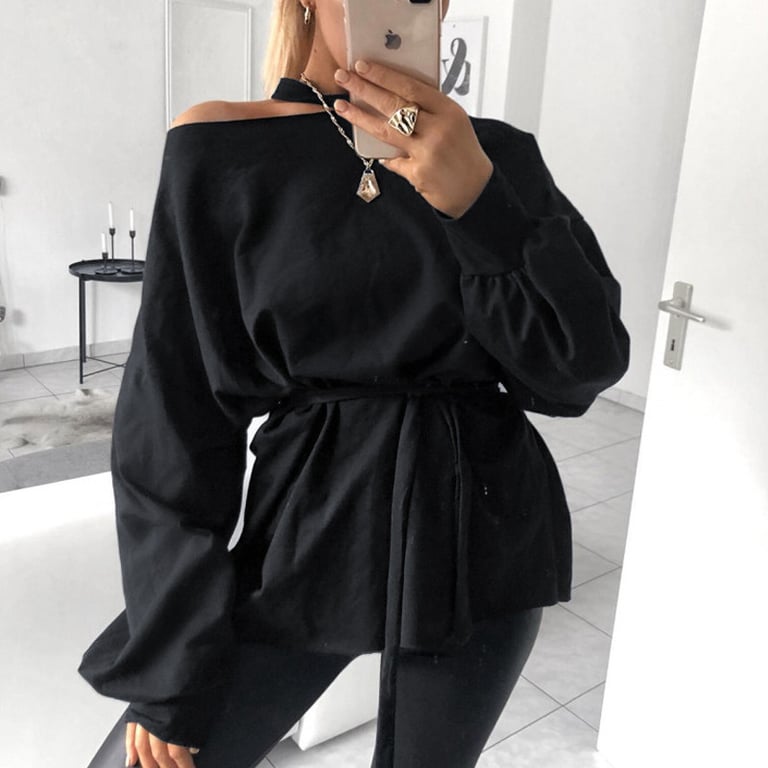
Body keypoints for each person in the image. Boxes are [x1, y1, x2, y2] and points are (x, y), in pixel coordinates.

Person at [78, 0, 631, 766]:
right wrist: (171, 659)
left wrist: (480, 205)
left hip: (483, 524)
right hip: (311, 525)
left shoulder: (495, 155)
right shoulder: (221, 146)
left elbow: (579, 370)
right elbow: (175, 415)